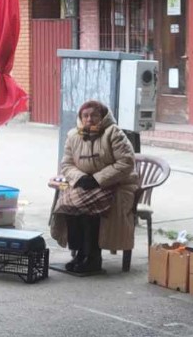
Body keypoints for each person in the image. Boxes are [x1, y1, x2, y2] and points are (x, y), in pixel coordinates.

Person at [50, 100, 139, 274]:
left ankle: (93, 257)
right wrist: (81, 177)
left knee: (88, 210)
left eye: (94, 115)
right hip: (84, 184)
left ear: (103, 117)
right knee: (66, 206)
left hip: (114, 185)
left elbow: (126, 162)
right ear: (80, 118)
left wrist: (98, 179)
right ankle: (79, 254)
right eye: (85, 115)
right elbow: (67, 164)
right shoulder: (73, 135)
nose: (89, 119)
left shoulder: (114, 133)